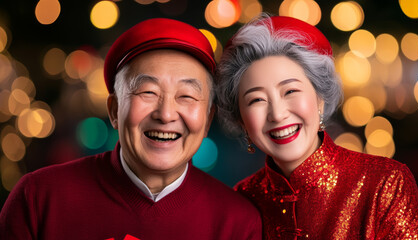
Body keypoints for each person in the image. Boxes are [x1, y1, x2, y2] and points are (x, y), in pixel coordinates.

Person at [0, 18, 262, 240]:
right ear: (114, 110)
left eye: (186, 96)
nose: (166, 114)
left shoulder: (237, 223)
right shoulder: (38, 199)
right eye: (147, 92)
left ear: (207, 118)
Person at [216, 14, 418, 239]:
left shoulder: (385, 184)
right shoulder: (241, 199)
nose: (277, 115)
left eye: (290, 91)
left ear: (320, 98)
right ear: (241, 119)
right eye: (256, 100)